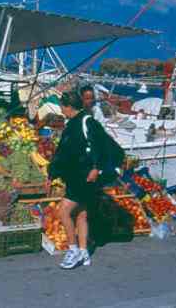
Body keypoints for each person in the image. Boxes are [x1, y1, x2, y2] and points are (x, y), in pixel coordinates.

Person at [48, 90, 125, 269]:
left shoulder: (86, 122)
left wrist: (96, 168)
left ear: (69, 107)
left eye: (62, 107)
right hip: (77, 176)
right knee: (81, 214)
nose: (61, 111)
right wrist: (53, 173)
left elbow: (101, 146)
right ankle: (84, 253)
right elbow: (64, 153)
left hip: (84, 178)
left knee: (63, 212)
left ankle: (73, 250)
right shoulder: (73, 123)